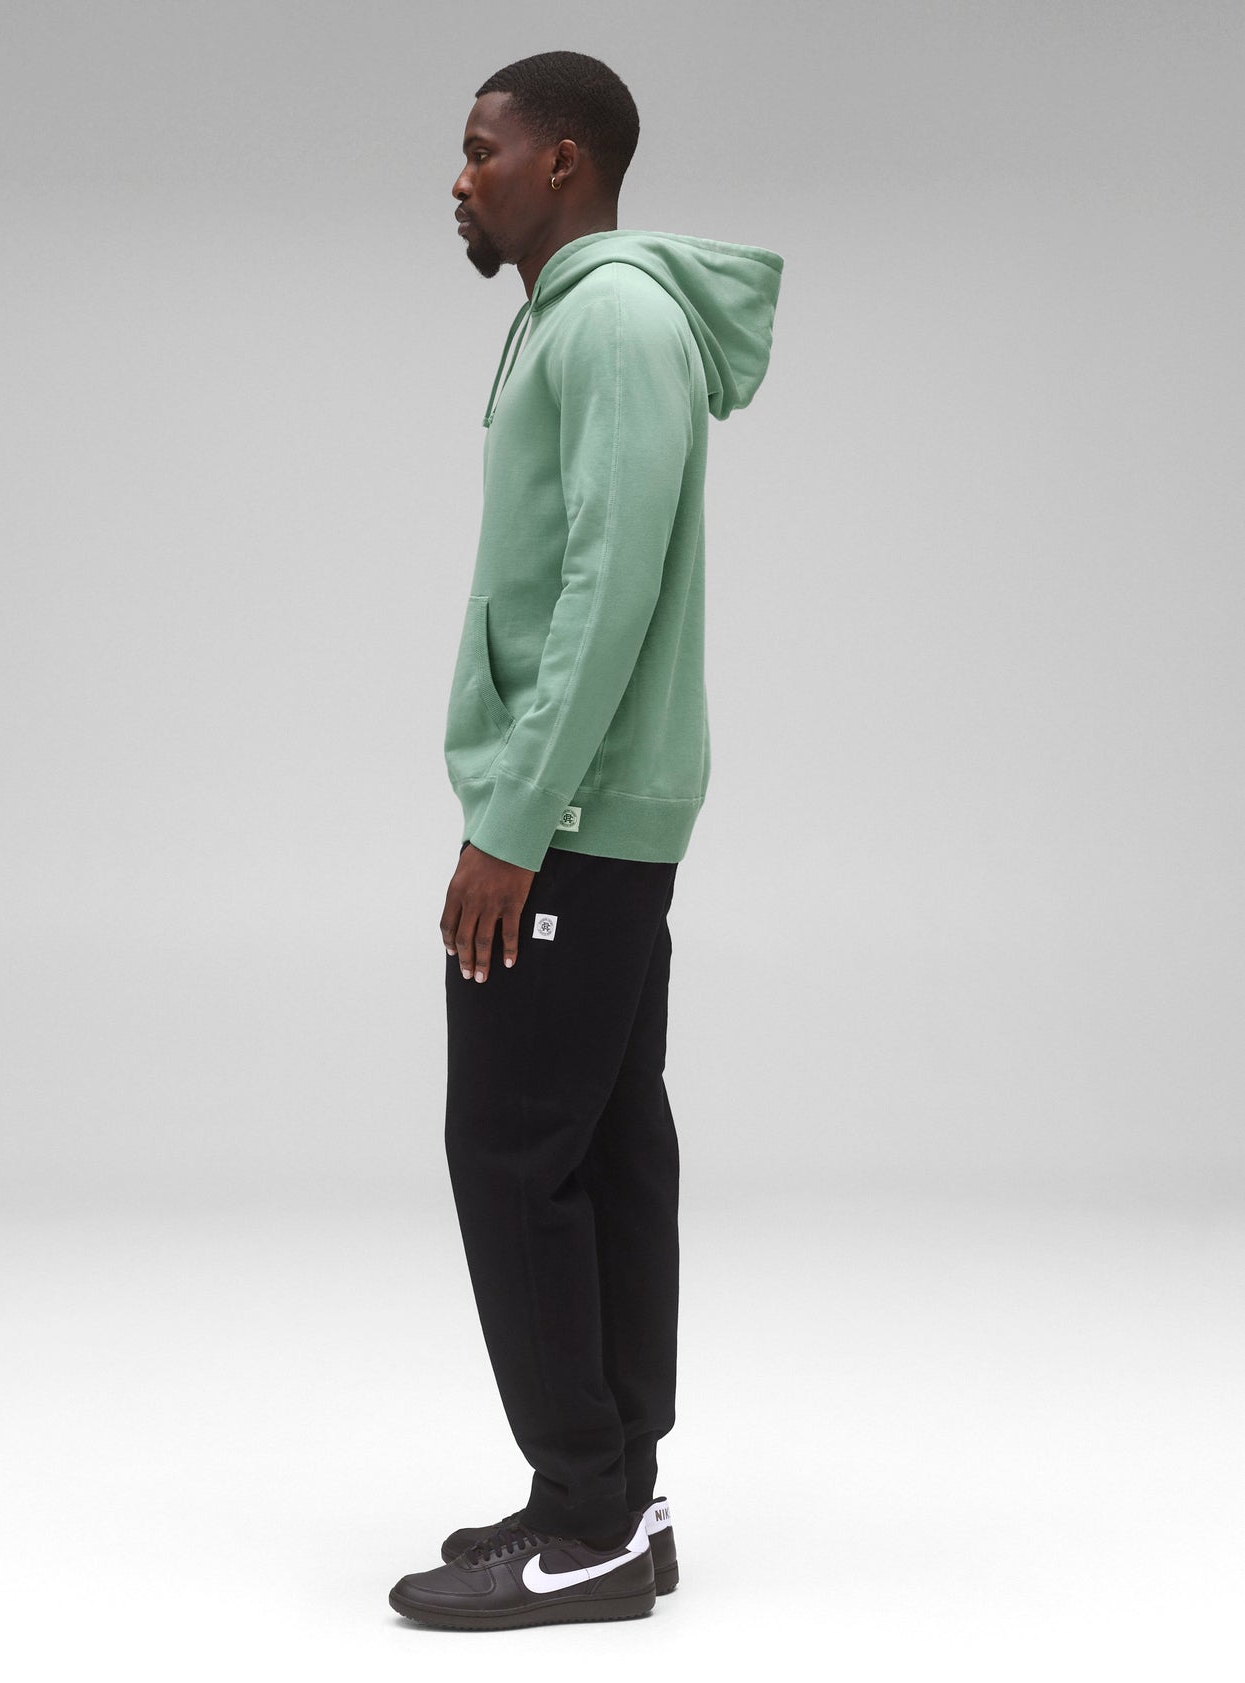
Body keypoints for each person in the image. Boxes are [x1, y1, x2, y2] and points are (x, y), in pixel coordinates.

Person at [388, 50, 783, 1631]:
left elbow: (605, 589)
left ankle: (582, 1523)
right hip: (590, 811)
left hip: (566, 814)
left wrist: (513, 819)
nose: (460, 176)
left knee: (511, 1153)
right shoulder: (576, 315)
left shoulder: (610, 321)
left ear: (563, 161)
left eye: (482, 148)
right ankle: (616, 1495)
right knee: (603, 1149)